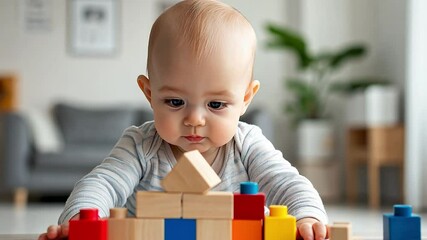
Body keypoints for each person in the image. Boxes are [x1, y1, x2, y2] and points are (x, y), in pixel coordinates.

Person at [39, 0, 328, 239]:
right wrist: (81, 220)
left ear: (245, 99)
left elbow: (286, 182)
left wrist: (308, 216)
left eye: (216, 104)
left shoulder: (247, 144)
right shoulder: (141, 146)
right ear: (149, 93)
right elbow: (102, 184)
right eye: (175, 102)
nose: (194, 119)